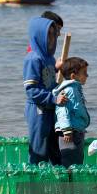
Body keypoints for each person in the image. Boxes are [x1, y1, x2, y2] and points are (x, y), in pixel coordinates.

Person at [23, 17, 66, 164]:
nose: (52, 38)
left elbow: (46, 78)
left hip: (50, 109)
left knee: (53, 148)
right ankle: (34, 184)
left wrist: (56, 68)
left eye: (54, 34)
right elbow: (31, 90)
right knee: (39, 150)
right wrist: (54, 99)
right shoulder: (33, 59)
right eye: (49, 34)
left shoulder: (49, 58)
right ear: (39, 35)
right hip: (38, 111)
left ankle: (55, 183)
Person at [52, 57, 90, 168]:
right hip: (69, 133)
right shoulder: (69, 90)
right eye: (84, 73)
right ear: (73, 76)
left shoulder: (75, 88)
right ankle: (69, 184)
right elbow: (62, 110)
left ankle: (72, 182)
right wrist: (67, 130)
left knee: (77, 160)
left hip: (76, 130)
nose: (87, 76)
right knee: (70, 162)